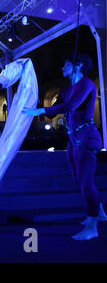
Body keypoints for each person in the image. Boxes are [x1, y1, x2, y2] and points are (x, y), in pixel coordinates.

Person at [23, 54, 107, 240]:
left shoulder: (85, 83)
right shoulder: (67, 89)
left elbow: (71, 106)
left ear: (77, 66)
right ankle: (98, 212)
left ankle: (92, 228)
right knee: (79, 179)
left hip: (86, 137)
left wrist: (40, 110)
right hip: (73, 139)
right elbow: (53, 113)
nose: (62, 68)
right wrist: (32, 103)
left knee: (86, 182)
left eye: (66, 64)